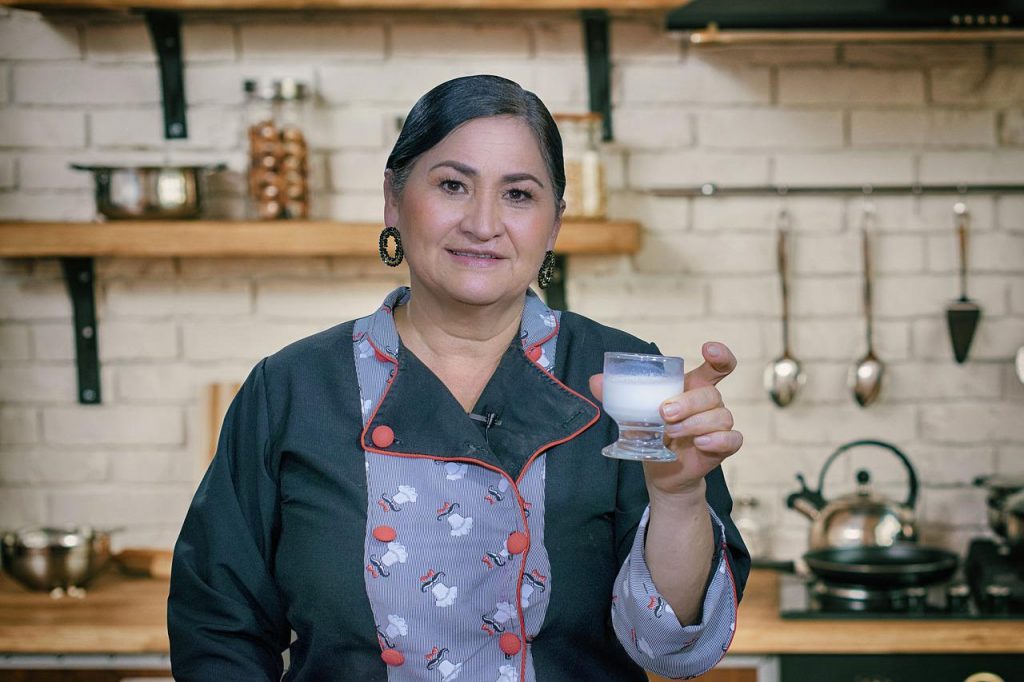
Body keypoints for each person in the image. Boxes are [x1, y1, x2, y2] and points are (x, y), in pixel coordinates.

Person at [168, 74, 749, 682]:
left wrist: (679, 499)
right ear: (393, 199)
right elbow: (217, 630)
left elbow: (671, 650)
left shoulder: (625, 378)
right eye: (452, 185)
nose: (483, 223)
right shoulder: (290, 389)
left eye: (519, 195)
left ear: (554, 223)